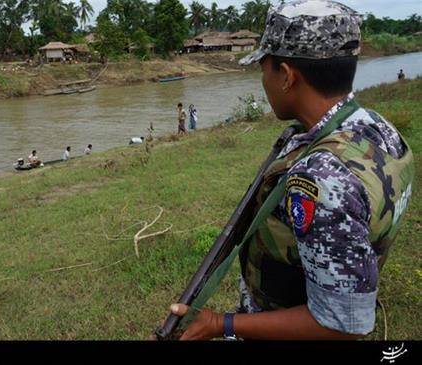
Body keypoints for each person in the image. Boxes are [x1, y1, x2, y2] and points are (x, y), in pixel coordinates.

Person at [169, 0, 415, 341]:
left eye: (263, 69)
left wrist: (220, 324)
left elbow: (341, 325)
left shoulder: (322, 180)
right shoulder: (375, 126)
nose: (262, 81)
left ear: (286, 76)